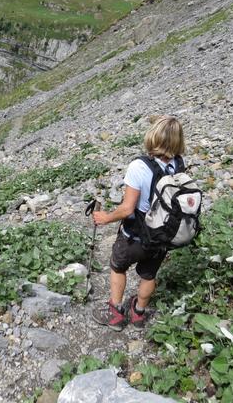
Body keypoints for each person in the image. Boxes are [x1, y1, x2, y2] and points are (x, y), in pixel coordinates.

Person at [91, 115, 186, 331]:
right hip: (162, 235)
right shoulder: (179, 164)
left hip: (136, 235)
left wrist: (105, 217)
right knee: (149, 274)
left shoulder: (139, 166)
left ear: (153, 137)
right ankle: (139, 314)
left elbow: (127, 208)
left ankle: (115, 313)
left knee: (118, 266)